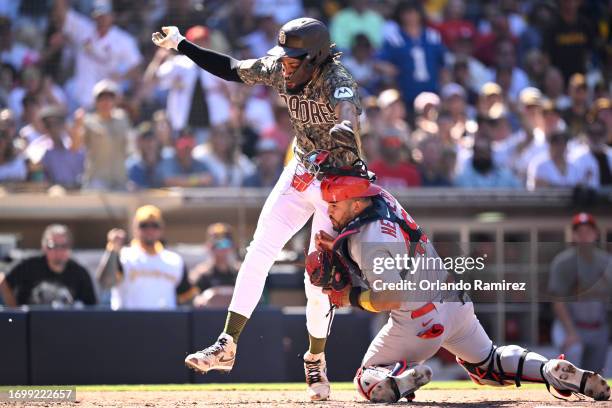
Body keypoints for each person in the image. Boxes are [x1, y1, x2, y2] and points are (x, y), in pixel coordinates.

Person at [152, 17, 363, 400]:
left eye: (294, 58)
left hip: (336, 184)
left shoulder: (335, 76)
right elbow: (232, 69)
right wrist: (182, 44)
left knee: (316, 280)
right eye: (284, 55)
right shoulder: (281, 66)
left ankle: (315, 359)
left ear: (315, 57)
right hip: (301, 170)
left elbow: (347, 105)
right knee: (258, 252)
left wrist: (345, 128)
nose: (285, 63)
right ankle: (227, 344)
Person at [309, 175, 610, 403]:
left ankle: (398, 380)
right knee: (489, 364)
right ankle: (546, 370)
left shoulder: (364, 239)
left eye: (335, 204)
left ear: (358, 203)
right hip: (455, 301)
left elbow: (390, 297)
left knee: (366, 375)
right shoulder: (386, 200)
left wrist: (348, 296)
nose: (330, 211)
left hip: (418, 319)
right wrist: (338, 245)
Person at [96, 205, 198, 310]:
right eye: (144, 225)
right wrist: (113, 249)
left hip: (165, 323)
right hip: (128, 322)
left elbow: (187, 297)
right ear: (135, 228)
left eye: (155, 225)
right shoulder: (123, 255)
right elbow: (105, 282)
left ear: (161, 228)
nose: (150, 230)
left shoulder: (175, 260)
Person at [548, 213, 611, 374]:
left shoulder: (606, 261)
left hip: (598, 326)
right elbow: (558, 301)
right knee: (574, 356)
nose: (584, 236)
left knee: (596, 375)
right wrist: (571, 332)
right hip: (570, 324)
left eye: (588, 231)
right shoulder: (563, 262)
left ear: (596, 234)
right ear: (573, 235)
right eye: (579, 232)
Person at [52, 0, 142, 108]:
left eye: (105, 16)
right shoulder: (83, 30)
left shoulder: (123, 40)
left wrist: (122, 76)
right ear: (93, 17)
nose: (102, 19)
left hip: (107, 101)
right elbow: (61, 14)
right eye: (99, 16)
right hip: (82, 99)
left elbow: (137, 65)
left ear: (112, 16)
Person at [0, 224, 96, 307]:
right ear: (44, 247)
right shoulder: (29, 265)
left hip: (65, 324)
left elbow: (91, 307)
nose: (58, 251)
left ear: (69, 248)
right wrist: (14, 310)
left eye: (63, 246)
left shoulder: (79, 273)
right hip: (30, 324)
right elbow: (2, 280)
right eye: (53, 246)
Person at [71, 80, 133, 190]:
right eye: (102, 98)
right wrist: (77, 126)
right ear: (95, 101)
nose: (106, 102)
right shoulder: (88, 122)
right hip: (96, 180)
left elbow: (130, 148)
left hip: (119, 180)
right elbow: (75, 148)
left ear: (115, 100)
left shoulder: (123, 118)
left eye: (110, 98)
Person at [191, 223, 241, 308]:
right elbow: (193, 299)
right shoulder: (200, 274)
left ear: (232, 246)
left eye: (225, 244)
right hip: (211, 318)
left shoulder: (241, 273)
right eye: (217, 244)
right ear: (209, 247)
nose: (221, 249)